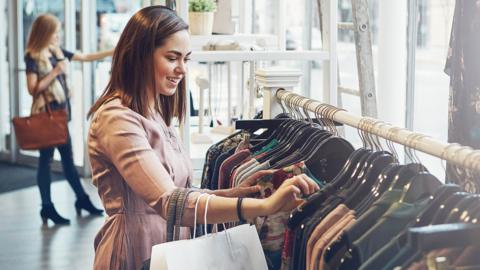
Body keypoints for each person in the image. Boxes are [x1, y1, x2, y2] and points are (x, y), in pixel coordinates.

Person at [87, 6, 319, 270]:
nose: (182, 69)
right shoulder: (116, 119)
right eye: (172, 58)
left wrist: (234, 194)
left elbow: (177, 192)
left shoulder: (154, 112)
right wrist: (263, 206)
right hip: (132, 249)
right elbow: (170, 202)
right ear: (140, 56)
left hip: (166, 248)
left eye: (186, 58)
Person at [25, 14, 112, 225]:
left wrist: (116, 50)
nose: (58, 35)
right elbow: (32, 89)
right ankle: (48, 207)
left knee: (67, 159)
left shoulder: (56, 52)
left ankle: (80, 200)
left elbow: (86, 57)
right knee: (46, 161)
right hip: (47, 115)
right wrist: (56, 71)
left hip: (61, 114)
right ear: (45, 32)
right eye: (55, 31)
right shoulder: (34, 56)